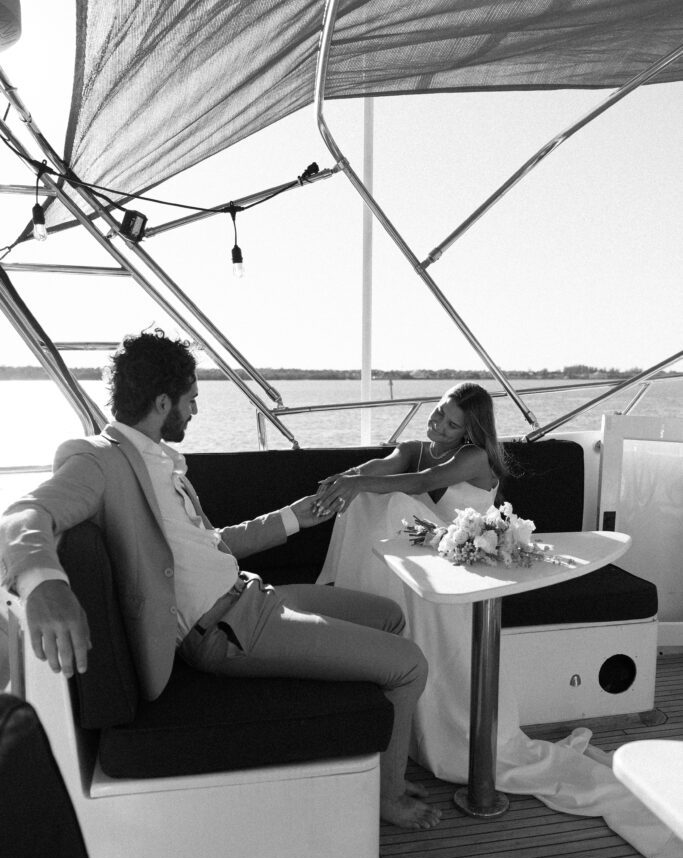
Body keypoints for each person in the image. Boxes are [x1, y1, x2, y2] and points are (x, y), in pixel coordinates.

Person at [0, 330, 441, 832]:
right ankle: (388, 792)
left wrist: (295, 517)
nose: (195, 411)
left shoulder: (159, 462)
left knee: (390, 615)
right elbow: (22, 515)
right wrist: (45, 584)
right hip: (228, 632)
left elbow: (212, 544)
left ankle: (379, 753)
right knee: (410, 665)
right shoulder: (100, 460)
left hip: (253, 595)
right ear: (163, 401)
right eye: (191, 399)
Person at [314, 383, 683, 858]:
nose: (438, 426)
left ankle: (464, 740)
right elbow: (378, 470)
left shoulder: (473, 459)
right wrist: (345, 480)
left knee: (392, 505)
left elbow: (422, 484)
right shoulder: (416, 448)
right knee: (371, 500)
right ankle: (421, 727)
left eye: (451, 423)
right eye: (437, 415)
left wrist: (360, 485)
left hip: (472, 573)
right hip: (435, 570)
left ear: (472, 429)